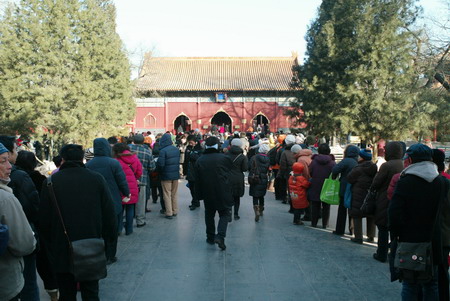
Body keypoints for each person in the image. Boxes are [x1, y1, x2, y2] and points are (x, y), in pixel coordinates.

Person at [39, 144, 117, 301]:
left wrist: (50, 251)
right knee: (91, 293)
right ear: (82, 158)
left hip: (62, 249)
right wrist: (109, 247)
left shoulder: (50, 183)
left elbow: (44, 222)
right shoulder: (96, 179)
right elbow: (110, 216)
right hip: (92, 246)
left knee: (67, 294)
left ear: (63, 159)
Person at [389, 144, 449, 301]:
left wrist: (396, 235)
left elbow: (394, 213)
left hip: (410, 241)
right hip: (434, 241)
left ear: (409, 159)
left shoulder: (406, 181)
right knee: (431, 284)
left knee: (410, 284)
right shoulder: (441, 182)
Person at [0, 135, 40, 300]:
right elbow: (24, 245)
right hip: (6, 279)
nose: (9, 166)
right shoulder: (6, 199)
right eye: (3, 161)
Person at [15, 150, 58, 300]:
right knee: (43, 263)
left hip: (18, 228)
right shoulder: (39, 179)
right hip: (37, 226)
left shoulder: (13, 178)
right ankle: (53, 292)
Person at [86, 138, 130, 262]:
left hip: (96, 202)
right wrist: (127, 193)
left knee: (100, 229)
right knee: (112, 230)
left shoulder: (89, 164)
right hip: (113, 200)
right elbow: (121, 181)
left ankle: (100, 253)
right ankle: (110, 255)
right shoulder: (114, 163)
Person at [194, 136, 233, 250]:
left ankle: (210, 237)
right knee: (224, 213)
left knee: (209, 214)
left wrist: (198, 195)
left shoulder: (200, 160)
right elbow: (229, 174)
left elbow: (197, 180)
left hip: (207, 191)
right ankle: (220, 236)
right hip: (223, 191)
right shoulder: (224, 158)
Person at [370, 142, 404, 262]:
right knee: (395, 230)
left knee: (383, 227)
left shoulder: (387, 165)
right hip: (399, 199)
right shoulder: (404, 164)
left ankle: (381, 253)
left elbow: (376, 183)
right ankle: (394, 254)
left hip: (384, 199)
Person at [346, 149, 377, 244]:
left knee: (357, 215)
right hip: (370, 194)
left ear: (362, 158)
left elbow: (349, 178)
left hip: (358, 194)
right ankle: (371, 236)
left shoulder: (358, 168)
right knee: (371, 215)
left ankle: (358, 237)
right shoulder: (374, 168)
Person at [432, 148, 450, 301]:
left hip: (436, 234)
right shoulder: (447, 179)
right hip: (445, 234)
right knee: (443, 270)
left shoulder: (433, 181)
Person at [112, 143, 142, 236]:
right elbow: (139, 172)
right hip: (132, 185)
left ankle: (119, 229)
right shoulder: (135, 158)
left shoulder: (116, 160)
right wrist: (134, 178)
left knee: (120, 209)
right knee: (130, 208)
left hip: (120, 187)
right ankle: (129, 230)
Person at [331, 145, 360, 235]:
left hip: (344, 187)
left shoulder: (346, 161)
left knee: (342, 210)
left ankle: (340, 230)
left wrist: (334, 177)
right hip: (355, 188)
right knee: (351, 210)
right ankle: (352, 230)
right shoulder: (357, 162)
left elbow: (335, 169)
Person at [129, 134, 154, 227]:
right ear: (143, 141)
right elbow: (152, 167)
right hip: (142, 179)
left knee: (127, 199)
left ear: (133, 141)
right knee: (140, 201)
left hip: (127, 179)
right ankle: (140, 221)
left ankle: (127, 220)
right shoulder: (147, 152)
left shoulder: (128, 149)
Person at [308, 143, 336, 228]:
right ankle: (325, 224)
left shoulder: (314, 161)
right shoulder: (332, 163)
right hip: (327, 186)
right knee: (326, 206)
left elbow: (310, 172)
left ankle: (314, 223)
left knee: (315, 205)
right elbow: (334, 174)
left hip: (315, 184)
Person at [157, 133, 180, 219]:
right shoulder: (176, 149)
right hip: (175, 175)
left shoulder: (163, 151)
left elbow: (161, 164)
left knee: (166, 194)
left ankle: (169, 212)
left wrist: (159, 171)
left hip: (166, 175)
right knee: (174, 194)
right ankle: (175, 210)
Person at [225, 138, 248, 220]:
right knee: (236, 197)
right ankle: (236, 214)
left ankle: (229, 213)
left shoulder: (226, 154)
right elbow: (245, 168)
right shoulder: (242, 156)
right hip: (238, 177)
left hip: (227, 177)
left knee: (228, 196)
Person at [249, 144, 271, 222]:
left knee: (255, 195)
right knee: (261, 195)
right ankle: (261, 209)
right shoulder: (268, 159)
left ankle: (256, 209)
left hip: (255, 178)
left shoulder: (254, 157)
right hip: (264, 178)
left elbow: (249, 167)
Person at [186, 136, 203, 211]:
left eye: (191, 142)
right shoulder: (188, 148)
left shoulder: (200, 149)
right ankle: (195, 201)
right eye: (189, 142)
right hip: (189, 171)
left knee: (195, 188)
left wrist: (192, 154)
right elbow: (186, 160)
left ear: (195, 142)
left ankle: (195, 202)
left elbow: (199, 159)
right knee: (191, 188)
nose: (190, 143)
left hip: (196, 172)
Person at [279, 134, 296, 205]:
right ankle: (294, 199)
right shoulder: (298, 149)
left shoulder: (285, 152)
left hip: (288, 171)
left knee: (289, 185)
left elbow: (282, 164)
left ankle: (290, 199)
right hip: (298, 170)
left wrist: (282, 173)